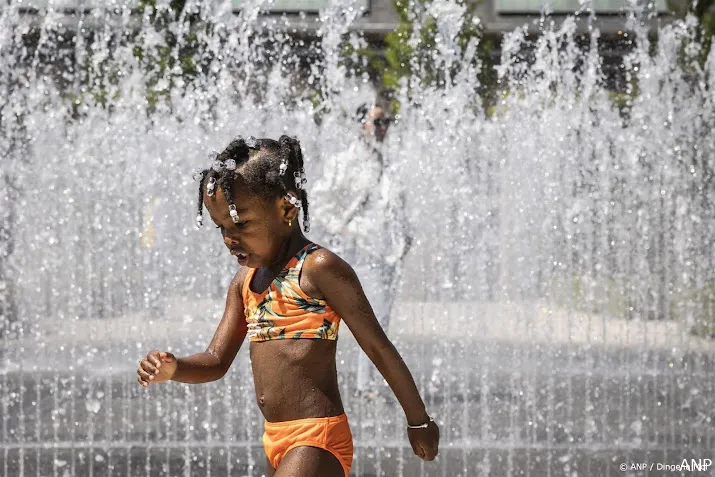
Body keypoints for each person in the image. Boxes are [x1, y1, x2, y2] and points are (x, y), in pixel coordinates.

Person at [137, 135, 438, 477]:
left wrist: (418, 420)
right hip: (276, 439)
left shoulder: (318, 268)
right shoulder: (245, 283)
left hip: (316, 437)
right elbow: (216, 361)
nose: (229, 238)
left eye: (241, 223)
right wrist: (174, 368)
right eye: (222, 227)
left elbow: (377, 347)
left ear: (287, 209)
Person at [312, 104, 412, 395]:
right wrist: (343, 229)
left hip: (388, 250)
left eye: (387, 122)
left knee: (380, 316)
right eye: (378, 122)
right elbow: (319, 201)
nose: (384, 128)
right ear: (362, 125)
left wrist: (406, 236)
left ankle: (365, 382)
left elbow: (395, 206)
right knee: (372, 317)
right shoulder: (345, 162)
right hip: (362, 248)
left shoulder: (389, 161)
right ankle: (366, 385)